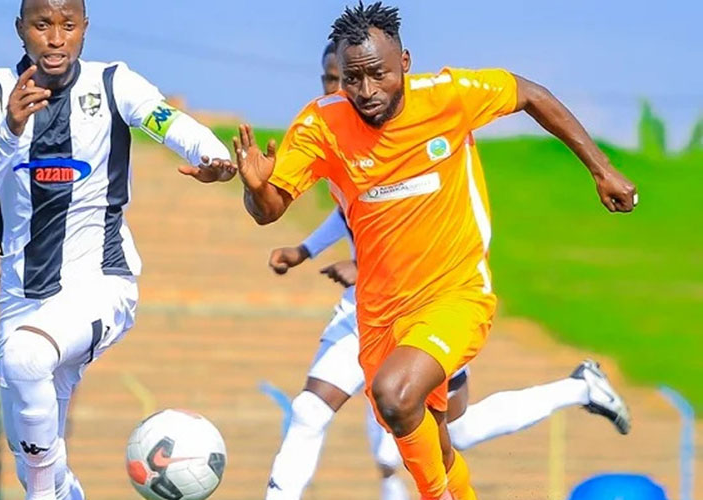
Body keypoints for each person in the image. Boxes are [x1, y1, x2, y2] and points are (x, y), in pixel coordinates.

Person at [234, 2, 637, 499]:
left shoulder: (448, 96)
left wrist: (601, 169)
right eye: (351, 79)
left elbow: (531, 94)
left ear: (404, 62)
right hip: (379, 312)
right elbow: (270, 208)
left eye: (377, 75)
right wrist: (255, 189)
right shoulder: (322, 124)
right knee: (436, 438)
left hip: (455, 294)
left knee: (393, 394)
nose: (365, 92)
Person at [0, 1, 235, 499]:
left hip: (101, 286)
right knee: (34, 460)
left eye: (68, 25)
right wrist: (9, 129)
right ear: (22, 29)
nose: (56, 39)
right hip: (21, 297)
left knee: (24, 360)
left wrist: (211, 155)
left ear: (85, 29)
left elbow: (169, 121)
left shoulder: (113, 83)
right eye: (42, 25)